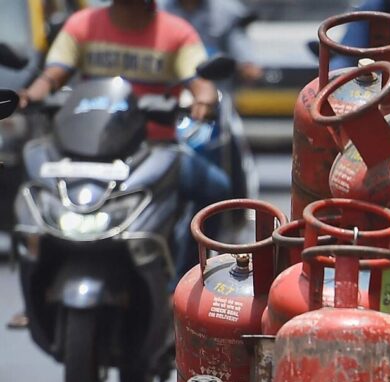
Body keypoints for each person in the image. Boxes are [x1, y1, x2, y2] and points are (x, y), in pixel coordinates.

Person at [17, 0, 231, 282]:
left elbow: (200, 81)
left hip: (154, 150)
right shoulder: (82, 25)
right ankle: (38, 286)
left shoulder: (177, 33)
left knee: (217, 191)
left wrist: (204, 99)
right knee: (33, 193)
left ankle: (185, 282)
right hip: (88, 150)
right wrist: (30, 95)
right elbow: (51, 75)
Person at [158, 0, 263, 83]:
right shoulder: (157, 8)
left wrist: (247, 65)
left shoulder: (228, 10)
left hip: (216, 87)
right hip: (168, 86)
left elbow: (238, 40)